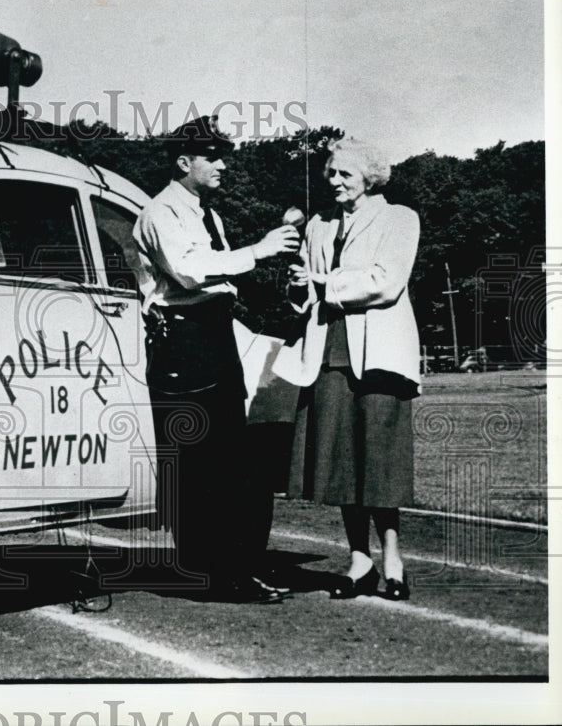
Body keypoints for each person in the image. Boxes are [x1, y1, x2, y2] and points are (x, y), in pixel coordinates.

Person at [132, 115, 300, 603]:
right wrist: (260, 249)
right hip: (184, 341)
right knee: (202, 463)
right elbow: (188, 271)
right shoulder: (162, 212)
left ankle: (228, 568)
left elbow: (218, 276)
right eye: (214, 156)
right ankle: (216, 573)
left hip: (213, 337)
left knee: (229, 459)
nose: (224, 164)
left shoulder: (208, 213)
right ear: (184, 162)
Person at [277, 137, 420, 601]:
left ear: (369, 176)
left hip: (380, 353)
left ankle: (393, 558)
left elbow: (386, 282)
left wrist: (321, 282)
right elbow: (305, 298)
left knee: (378, 460)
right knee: (339, 459)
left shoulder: (400, 218)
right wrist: (298, 285)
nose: (334, 181)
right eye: (331, 173)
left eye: (345, 174)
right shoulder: (318, 226)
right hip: (327, 350)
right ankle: (360, 560)